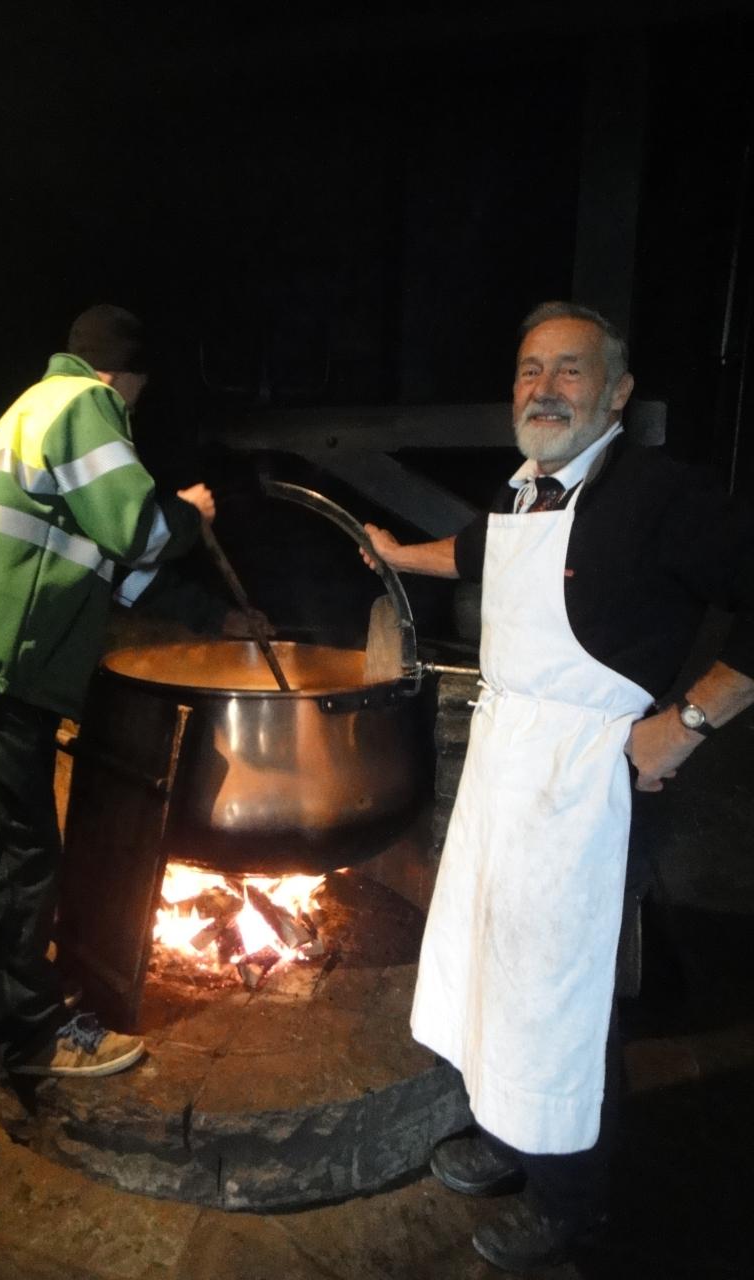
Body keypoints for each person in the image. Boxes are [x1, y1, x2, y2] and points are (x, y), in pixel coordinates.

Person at [362, 300, 754, 1273]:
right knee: (499, 966)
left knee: (562, 999)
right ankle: (512, 1131)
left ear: (617, 393)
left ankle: (573, 1203)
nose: (544, 388)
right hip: (508, 771)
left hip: (591, 782)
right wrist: (396, 554)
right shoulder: (528, 492)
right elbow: (478, 551)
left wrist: (685, 724)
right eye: (530, 369)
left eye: (570, 369)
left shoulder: (660, 494)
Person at [0, 304, 221, 1080]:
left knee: (3, 860)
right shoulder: (84, 404)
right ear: (125, 376)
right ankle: (32, 1040)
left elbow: (112, 570)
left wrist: (217, 617)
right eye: (139, 390)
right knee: (19, 862)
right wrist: (191, 515)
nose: (136, 406)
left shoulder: (36, 408)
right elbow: (140, 531)